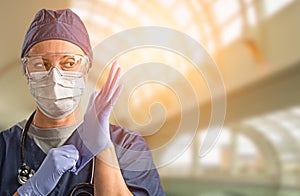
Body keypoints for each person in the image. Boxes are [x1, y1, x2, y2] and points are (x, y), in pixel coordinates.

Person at [0, 8, 165, 196]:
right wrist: (30, 191)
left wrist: (103, 150)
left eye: (69, 63)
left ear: (86, 70)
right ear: (26, 72)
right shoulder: (3, 149)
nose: (55, 77)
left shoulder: (127, 145)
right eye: (40, 64)